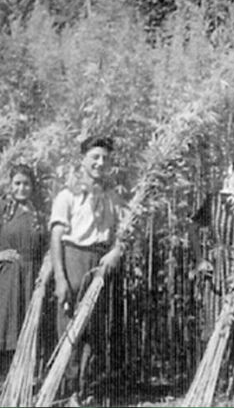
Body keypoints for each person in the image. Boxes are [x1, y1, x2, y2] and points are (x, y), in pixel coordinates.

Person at [49, 136, 125, 401]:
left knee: (94, 328)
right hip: (74, 260)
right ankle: (67, 392)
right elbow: (56, 237)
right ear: (83, 160)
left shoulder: (113, 196)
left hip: (101, 263)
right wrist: (60, 278)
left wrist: (116, 251)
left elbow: (123, 234)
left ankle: (84, 390)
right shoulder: (68, 195)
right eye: (95, 157)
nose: (100, 163)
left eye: (105, 158)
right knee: (70, 326)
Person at [189, 156, 234, 394]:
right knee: (214, 325)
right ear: (230, 172)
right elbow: (193, 227)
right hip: (217, 270)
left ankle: (233, 387)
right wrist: (200, 259)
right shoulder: (214, 200)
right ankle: (209, 382)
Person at [0, 164, 46, 377]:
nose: (21, 188)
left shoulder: (39, 215)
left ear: (33, 186)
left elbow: (47, 249)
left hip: (31, 278)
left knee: (26, 330)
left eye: (26, 184)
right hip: (7, 278)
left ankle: (20, 383)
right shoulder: (3, 211)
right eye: (17, 183)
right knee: (5, 325)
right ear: (10, 185)